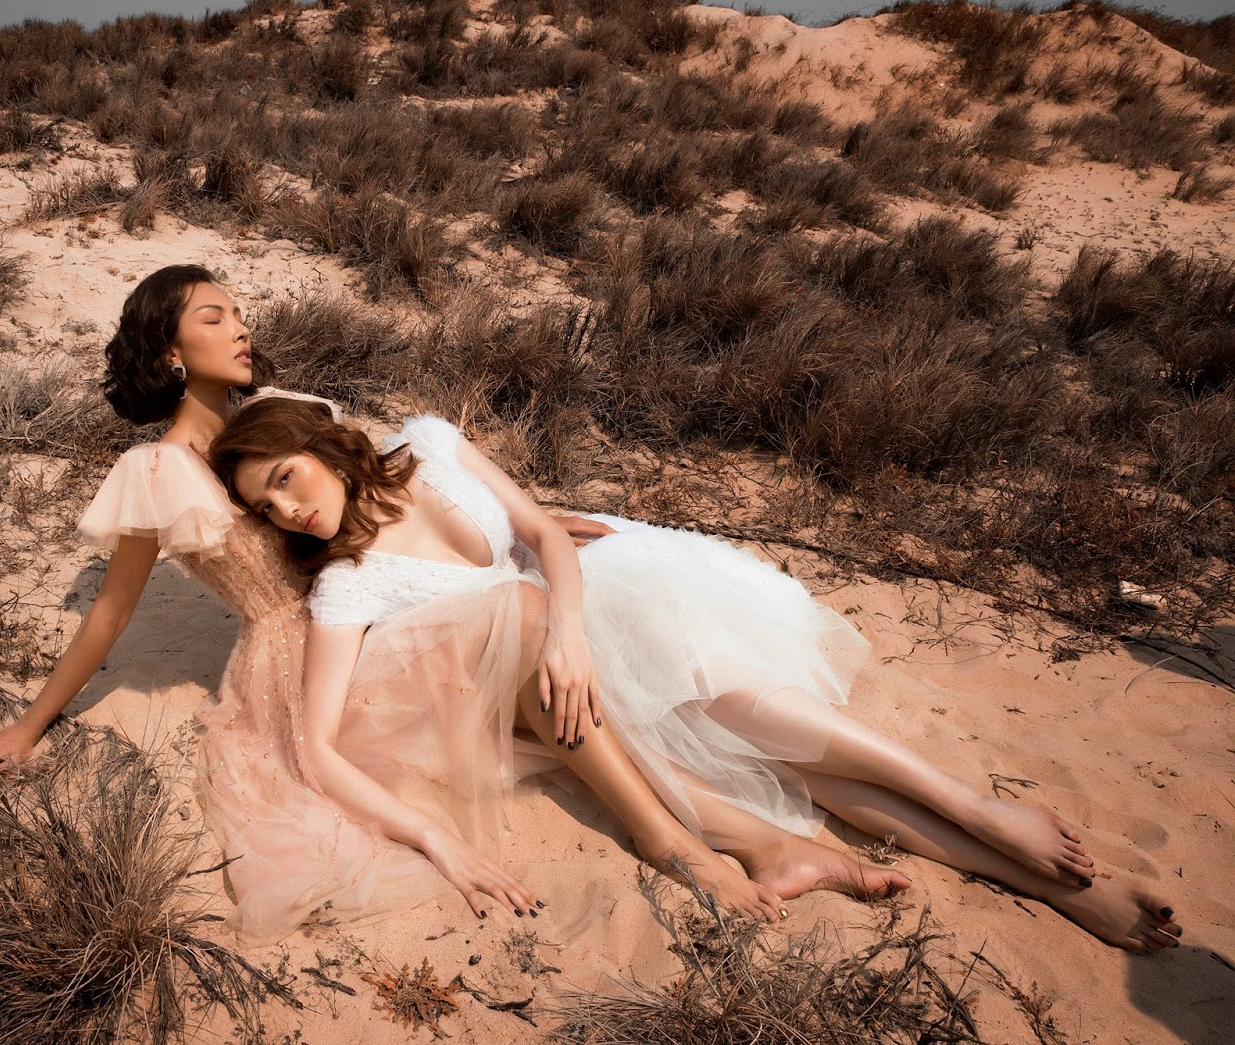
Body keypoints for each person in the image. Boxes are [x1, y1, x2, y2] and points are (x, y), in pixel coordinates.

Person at [209, 399, 1186, 953]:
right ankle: (1047, 884)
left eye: (284, 478)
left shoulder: (426, 442)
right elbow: (318, 746)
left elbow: (543, 530)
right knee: (780, 760)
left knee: (755, 713)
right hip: (543, 680)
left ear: (320, 444)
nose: (287, 511)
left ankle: (976, 813)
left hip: (590, 606)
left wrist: (567, 630)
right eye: (265, 508)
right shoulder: (347, 584)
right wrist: (433, 837)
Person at [0, 264, 610, 941]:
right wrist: (27, 728)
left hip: (380, 598)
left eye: (238, 314)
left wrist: (514, 518)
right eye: (214, 318)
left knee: (564, 627)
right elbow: (111, 612)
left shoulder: (278, 408)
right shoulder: (159, 469)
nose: (240, 329)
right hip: (298, 656)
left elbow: (372, 481)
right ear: (170, 353)